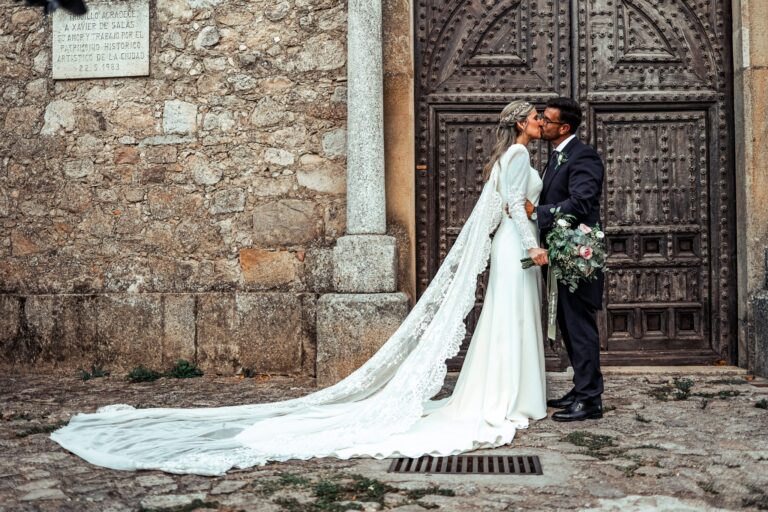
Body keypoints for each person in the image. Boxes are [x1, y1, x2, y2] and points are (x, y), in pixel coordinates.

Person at [50, 100, 550, 476]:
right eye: (534, 118)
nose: (540, 123)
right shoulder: (520, 158)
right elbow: (510, 207)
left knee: (507, 316)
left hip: (513, 243)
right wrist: (533, 245)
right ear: (520, 123)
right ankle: (507, 397)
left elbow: (513, 204)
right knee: (508, 315)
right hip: (516, 247)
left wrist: (528, 219)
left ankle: (508, 394)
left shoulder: (510, 157)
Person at [525, 97, 605, 422]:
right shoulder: (557, 156)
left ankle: (590, 401)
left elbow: (581, 203)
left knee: (579, 326)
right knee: (567, 326)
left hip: (576, 254)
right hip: (560, 252)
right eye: (541, 118)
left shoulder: (583, 156)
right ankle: (581, 387)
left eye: (548, 120)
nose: (541, 123)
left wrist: (538, 213)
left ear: (564, 127)